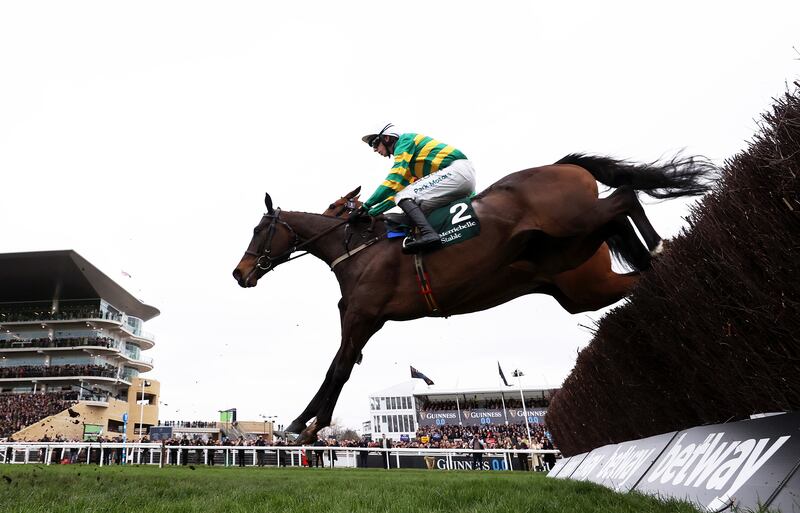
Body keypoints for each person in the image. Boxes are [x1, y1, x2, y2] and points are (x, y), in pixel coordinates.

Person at [354, 123, 477, 253]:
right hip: (458, 180)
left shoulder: (405, 141)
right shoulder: (410, 166)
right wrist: (371, 213)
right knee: (412, 205)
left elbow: (393, 180)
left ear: (386, 138)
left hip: (457, 172)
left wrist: (365, 206)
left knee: (403, 196)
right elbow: (395, 193)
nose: (374, 149)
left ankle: (429, 234)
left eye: (374, 144)